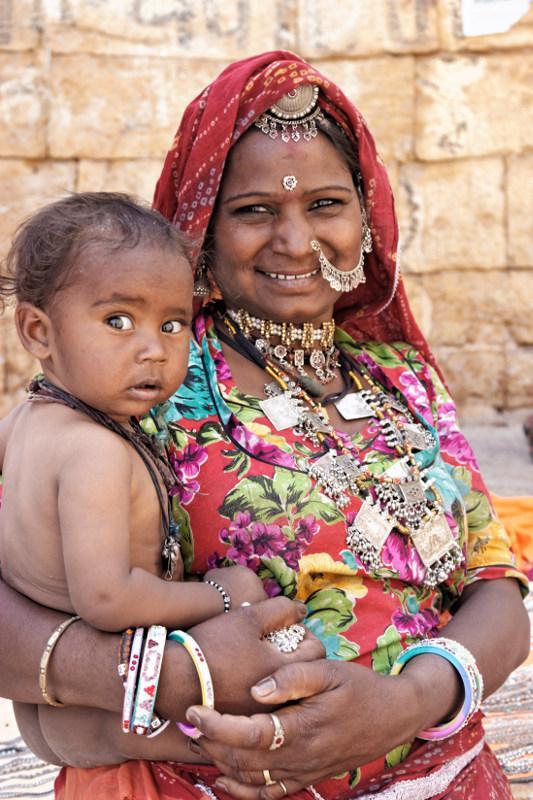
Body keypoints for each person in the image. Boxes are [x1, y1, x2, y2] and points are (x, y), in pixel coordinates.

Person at [0, 51, 529, 800]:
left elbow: (493, 586)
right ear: (201, 230)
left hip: (444, 776)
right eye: (254, 210)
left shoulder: (398, 375)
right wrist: (171, 677)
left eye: (324, 205)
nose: (293, 240)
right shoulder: (145, 380)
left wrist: (407, 703)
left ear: (365, 216)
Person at [0, 191, 269, 751]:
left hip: (48, 701)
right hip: (106, 706)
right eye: (118, 320)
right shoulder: (93, 452)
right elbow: (108, 600)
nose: (153, 349)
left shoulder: (24, 418)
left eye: (173, 325)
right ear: (38, 332)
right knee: (258, 711)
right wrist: (219, 595)